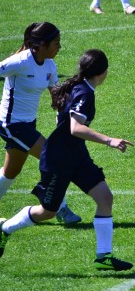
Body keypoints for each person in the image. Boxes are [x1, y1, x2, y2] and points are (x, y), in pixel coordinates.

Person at [0, 49, 135, 271]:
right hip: (58, 160)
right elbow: (75, 128)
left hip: (77, 156)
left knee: (105, 197)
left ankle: (104, 257)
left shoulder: (76, 86)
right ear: (103, 72)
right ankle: (5, 230)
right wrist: (109, 140)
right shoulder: (84, 93)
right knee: (47, 212)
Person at [0, 22, 81, 225]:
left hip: (28, 124)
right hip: (11, 125)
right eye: (56, 43)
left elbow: (56, 96)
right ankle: (59, 207)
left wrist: (64, 117)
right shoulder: (19, 61)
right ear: (42, 45)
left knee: (10, 172)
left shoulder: (49, 66)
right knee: (52, 156)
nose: (59, 47)